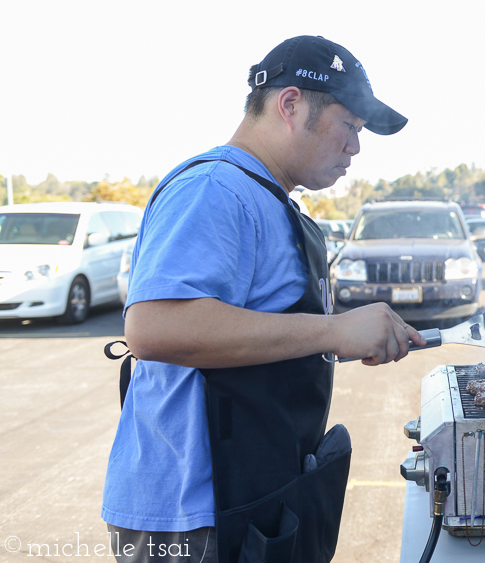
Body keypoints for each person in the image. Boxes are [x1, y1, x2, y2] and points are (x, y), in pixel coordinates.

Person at [102, 35, 425, 563]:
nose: (356, 148)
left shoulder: (269, 198)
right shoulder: (214, 188)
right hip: (193, 519)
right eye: (350, 126)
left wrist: (341, 335)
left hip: (252, 497)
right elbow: (154, 328)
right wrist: (335, 331)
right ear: (291, 104)